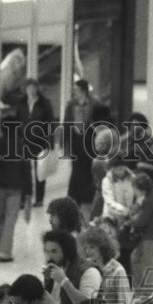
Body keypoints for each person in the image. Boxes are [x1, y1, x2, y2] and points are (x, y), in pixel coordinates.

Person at [0, 110, 33, 263]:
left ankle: (2, 247)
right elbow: (27, 169)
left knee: (1, 217)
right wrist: (29, 192)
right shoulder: (21, 145)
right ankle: (5, 252)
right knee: (10, 219)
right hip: (16, 187)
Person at [78, 226, 133, 304]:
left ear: (102, 247)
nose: (88, 252)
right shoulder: (91, 267)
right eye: (86, 248)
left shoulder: (118, 271)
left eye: (92, 247)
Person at [15, 77, 55, 207]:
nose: (31, 90)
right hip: (24, 140)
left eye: (33, 88)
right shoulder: (21, 103)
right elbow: (16, 121)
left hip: (40, 141)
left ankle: (39, 198)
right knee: (24, 171)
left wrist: (49, 143)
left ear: (37, 89)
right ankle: (24, 198)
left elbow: (50, 123)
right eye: (28, 88)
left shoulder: (44, 103)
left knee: (40, 171)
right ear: (25, 89)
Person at [125, 172, 153, 302]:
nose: (134, 192)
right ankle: (138, 290)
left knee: (148, 265)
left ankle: (147, 294)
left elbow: (140, 221)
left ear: (141, 188)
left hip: (151, 236)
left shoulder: (150, 200)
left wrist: (131, 217)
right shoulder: (149, 199)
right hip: (148, 236)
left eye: (135, 188)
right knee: (135, 258)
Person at [62, 79, 98, 215]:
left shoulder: (94, 104)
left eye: (76, 90)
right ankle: (75, 195)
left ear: (83, 90)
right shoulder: (71, 105)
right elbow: (66, 124)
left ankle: (87, 195)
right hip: (76, 140)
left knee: (88, 168)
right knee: (76, 168)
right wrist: (64, 144)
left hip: (89, 139)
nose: (74, 92)